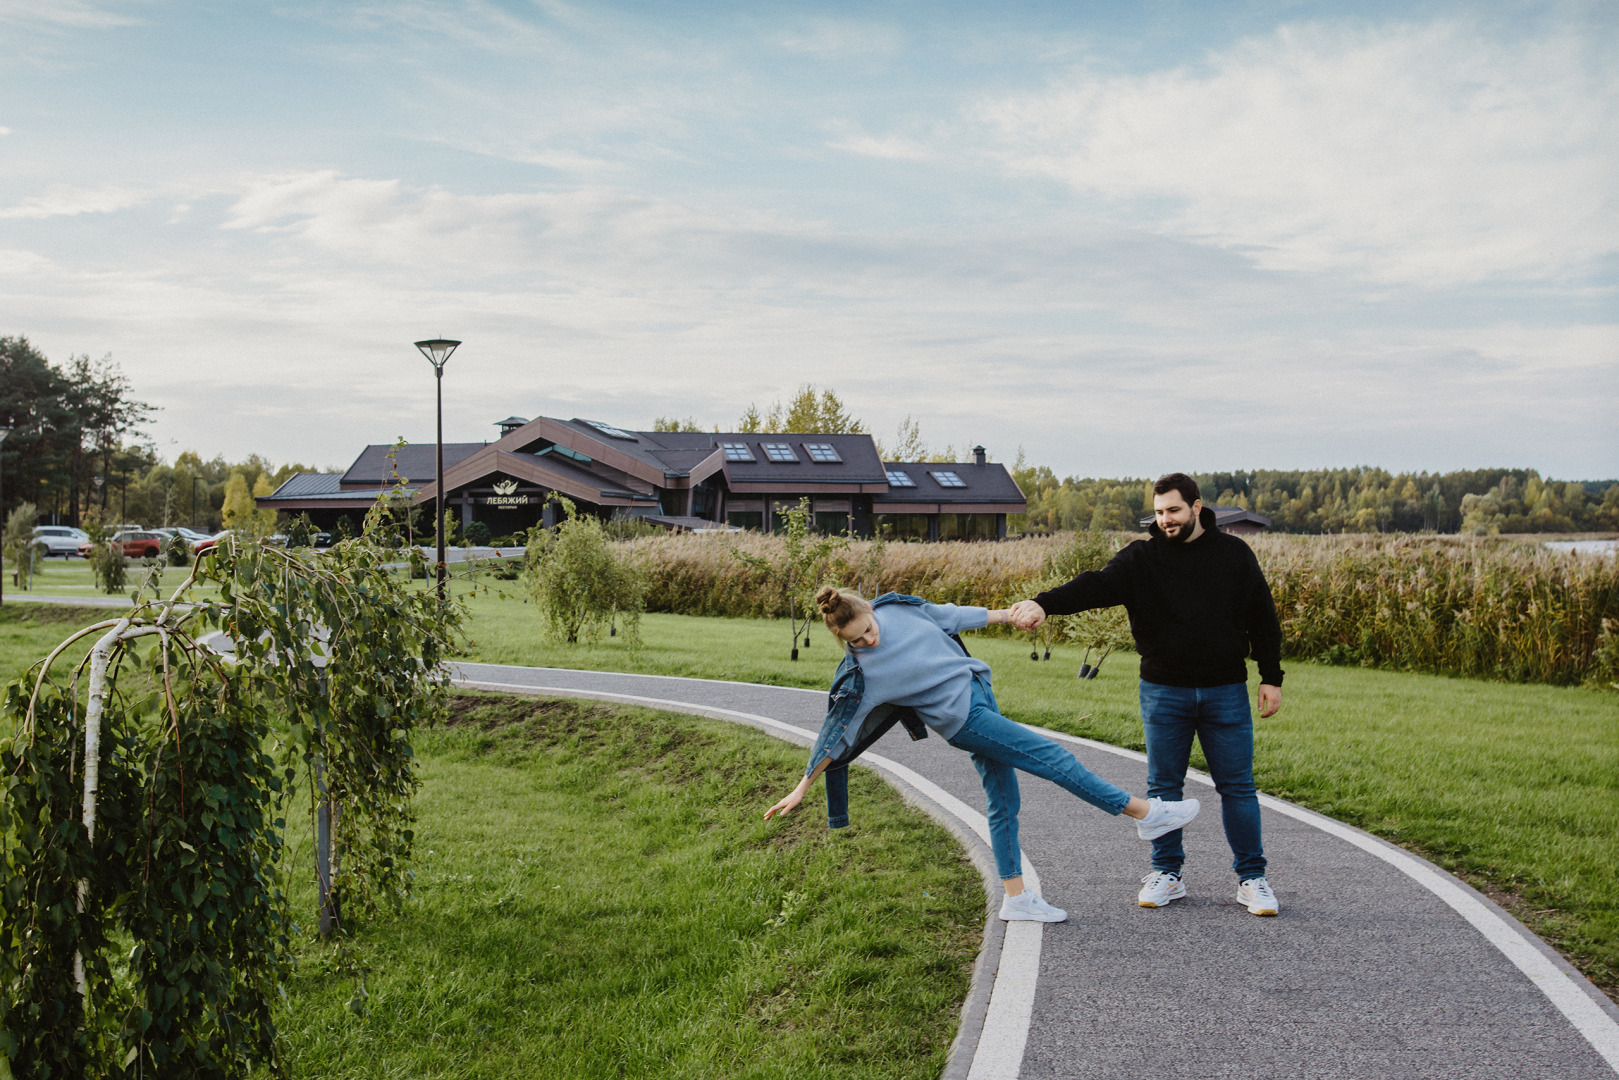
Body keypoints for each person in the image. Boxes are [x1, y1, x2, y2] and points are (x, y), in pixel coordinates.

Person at [764, 586, 1202, 923]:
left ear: (871, 611)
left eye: (869, 630)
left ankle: (1017, 899)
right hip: (965, 722)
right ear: (844, 640)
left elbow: (953, 616)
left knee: (1004, 801)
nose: (870, 642)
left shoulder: (899, 609)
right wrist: (804, 785)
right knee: (1053, 757)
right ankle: (1146, 815)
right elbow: (838, 733)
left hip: (980, 697)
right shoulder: (864, 675)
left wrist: (1009, 616)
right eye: (857, 641)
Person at [1009, 472, 1284, 916]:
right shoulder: (1141, 557)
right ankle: (1167, 873)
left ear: (1197, 507)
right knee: (1163, 788)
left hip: (1226, 690)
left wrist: (1271, 677)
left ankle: (1253, 878)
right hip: (1163, 691)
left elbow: (1263, 618)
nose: (1166, 520)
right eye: (1158, 512)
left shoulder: (1234, 555)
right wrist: (1044, 602)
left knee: (1237, 786)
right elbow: (1094, 585)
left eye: (1173, 510)